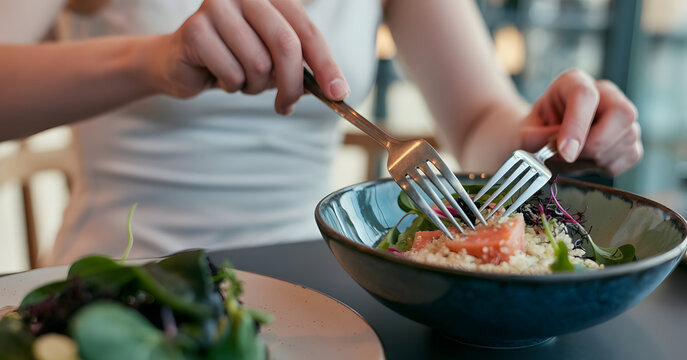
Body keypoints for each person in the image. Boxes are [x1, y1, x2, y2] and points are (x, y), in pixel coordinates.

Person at [0, 0, 642, 266]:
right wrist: (152, 60)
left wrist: (553, 135)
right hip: (120, 288)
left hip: (315, 299)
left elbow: (478, 125)